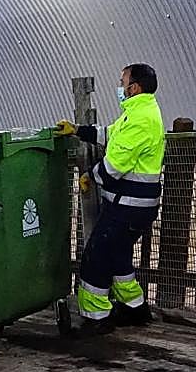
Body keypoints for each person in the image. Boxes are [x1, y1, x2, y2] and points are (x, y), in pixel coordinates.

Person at [56, 63, 165, 334]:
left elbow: (114, 168)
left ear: (134, 87)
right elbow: (110, 134)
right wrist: (78, 130)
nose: (120, 87)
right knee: (118, 255)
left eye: (122, 82)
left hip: (128, 206)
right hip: (132, 205)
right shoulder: (137, 113)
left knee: (96, 257)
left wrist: (90, 176)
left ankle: (96, 318)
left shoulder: (141, 120)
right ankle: (134, 308)